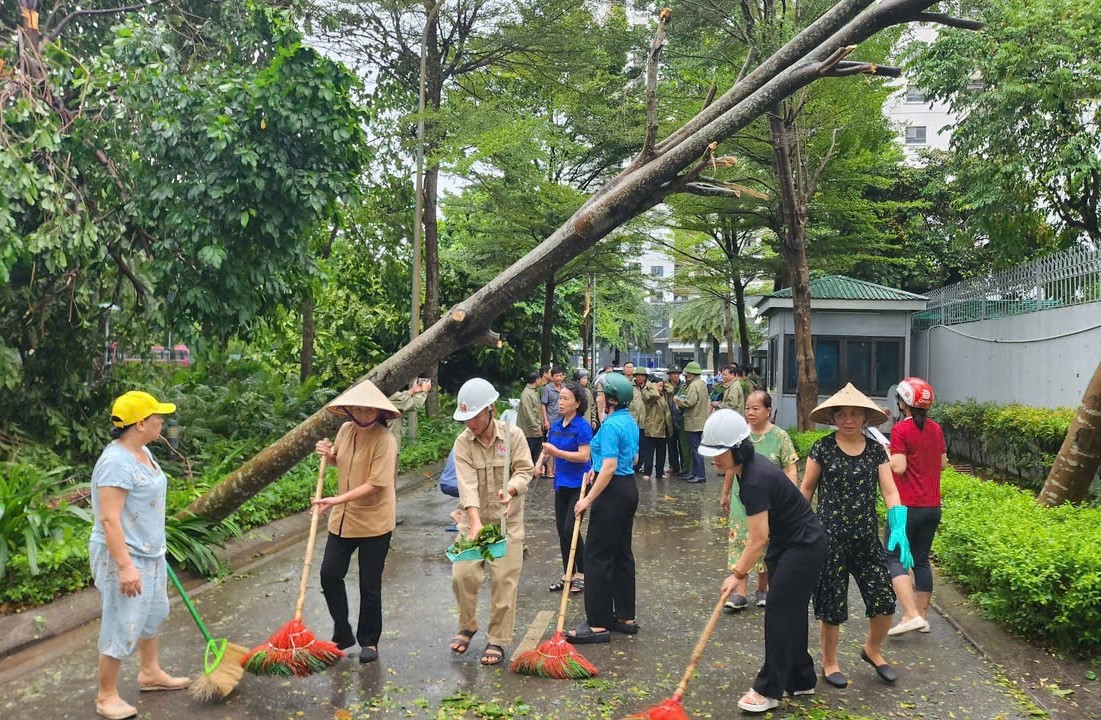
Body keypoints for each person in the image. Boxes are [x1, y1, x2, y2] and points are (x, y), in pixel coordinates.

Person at [701, 410, 826, 713]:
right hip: (788, 544)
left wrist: (737, 574)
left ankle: (769, 689)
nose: (714, 459)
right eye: (711, 453)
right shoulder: (748, 469)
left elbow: (758, 538)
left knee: (779, 614)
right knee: (790, 612)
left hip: (805, 546)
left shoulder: (755, 480)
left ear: (737, 449)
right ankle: (801, 678)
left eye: (720, 453)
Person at [800, 383, 913, 689]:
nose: (848, 419)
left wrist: (899, 525)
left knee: (883, 599)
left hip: (865, 538)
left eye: (855, 414)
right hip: (829, 538)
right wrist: (797, 527)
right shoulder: (822, 448)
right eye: (842, 414)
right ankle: (830, 662)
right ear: (833, 417)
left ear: (865, 418)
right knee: (832, 605)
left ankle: (872, 650)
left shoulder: (877, 451)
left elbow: (890, 490)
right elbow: (807, 489)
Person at [90, 391, 189, 720]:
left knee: (153, 613)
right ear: (140, 423)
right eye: (157, 416)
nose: (163, 420)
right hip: (125, 556)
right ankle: (106, 696)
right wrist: (125, 567)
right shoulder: (115, 463)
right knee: (122, 622)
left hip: (150, 552)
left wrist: (154, 550)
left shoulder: (142, 451)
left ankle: (150, 672)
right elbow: (109, 519)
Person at [312, 381, 400, 664]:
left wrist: (336, 500)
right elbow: (341, 460)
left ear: (378, 412)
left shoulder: (385, 441)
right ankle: (342, 630)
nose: (362, 414)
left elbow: (376, 484)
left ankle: (369, 640)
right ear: (349, 410)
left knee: (369, 584)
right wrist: (329, 454)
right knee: (329, 574)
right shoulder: (345, 430)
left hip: (375, 521)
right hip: (343, 520)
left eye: (368, 409)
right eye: (357, 408)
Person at [448, 378, 534, 666]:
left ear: (491, 410)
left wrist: (509, 490)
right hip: (473, 521)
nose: (470, 423)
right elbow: (467, 485)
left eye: (474, 416)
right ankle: (468, 624)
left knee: (503, 582)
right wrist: (473, 523)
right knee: (462, 576)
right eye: (466, 418)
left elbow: (525, 471)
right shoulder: (463, 442)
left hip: (507, 525)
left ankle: (497, 639)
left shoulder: (514, 436)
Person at [566, 372, 640, 644]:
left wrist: (587, 499)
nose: (596, 398)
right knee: (621, 554)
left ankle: (597, 623)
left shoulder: (609, 427)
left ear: (611, 399)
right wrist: (596, 471)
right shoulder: (628, 421)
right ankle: (625, 617)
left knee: (597, 556)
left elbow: (609, 467)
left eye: (599, 394)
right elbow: (632, 457)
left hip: (612, 493)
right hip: (627, 488)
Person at [721, 390, 800, 611]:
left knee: (764, 541)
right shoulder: (740, 436)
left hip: (770, 501)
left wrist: (791, 496)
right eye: (747, 408)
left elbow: (790, 467)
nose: (750, 412)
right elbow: (729, 465)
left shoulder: (780, 436)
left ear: (768, 411)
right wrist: (725, 494)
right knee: (741, 540)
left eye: (756, 408)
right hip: (741, 498)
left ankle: (762, 589)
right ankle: (741, 594)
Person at [885, 377, 946, 637]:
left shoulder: (901, 430)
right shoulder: (936, 428)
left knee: (892, 557)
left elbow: (898, 467)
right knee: (921, 561)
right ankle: (922, 617)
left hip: (905, 507)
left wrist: (886, 453)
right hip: (932, 506)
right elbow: (942, 464)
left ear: (903, 403)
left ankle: (910, 614)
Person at [534, 382, 592, 595]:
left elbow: (584, 456)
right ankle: (568, 574)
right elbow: (548, 448)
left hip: (580, 485)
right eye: (560, 398)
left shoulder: (582, 427)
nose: (561, 402)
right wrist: (539, 463)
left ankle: (583, 575)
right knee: (562, 531)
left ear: (577, 403)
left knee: (571, 529)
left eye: (566, 399)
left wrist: (556, 453)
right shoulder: (557, 425)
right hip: (561, 484)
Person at [675, 361, 710, 483]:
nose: (686, 376)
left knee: (696, 450)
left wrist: (678, 400)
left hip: (694, 421)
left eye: (687, 374)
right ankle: (695, 473)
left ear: (691, 374)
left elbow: (689, 402)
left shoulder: (694, 385)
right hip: (700, 420)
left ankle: (699, 474)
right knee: (697, 449)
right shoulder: (702, 384)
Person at [541, 366, 566, 478]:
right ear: (552, 377)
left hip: (563, 420)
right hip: (551, 420)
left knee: (560, 445)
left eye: (561, 375)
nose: (559, 378)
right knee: (550, 445)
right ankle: (549, 471)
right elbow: (543, 405)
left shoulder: (564, 388)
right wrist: (545, 420)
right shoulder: (547, 389)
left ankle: (557, 469)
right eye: (556, 376)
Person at [518, 371, 545, 470]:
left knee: (535, 453)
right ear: (537, 380)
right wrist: (536, 427)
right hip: (529, 432)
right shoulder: (527, 394)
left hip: (534, 431)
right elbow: (528, 412)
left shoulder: (533, 392)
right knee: (530, 454)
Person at [664, 367, 686, 475]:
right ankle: (673, 466)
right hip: (669, 418)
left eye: (678, 374)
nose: (676, 376)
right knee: (671, 444)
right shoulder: (664, 387)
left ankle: (684, 466)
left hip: (681, 418)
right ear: (669, 375)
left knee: (682, 444)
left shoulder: (683, 386)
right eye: (673, 374)